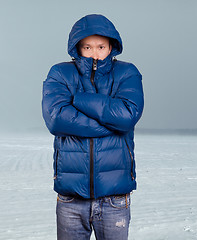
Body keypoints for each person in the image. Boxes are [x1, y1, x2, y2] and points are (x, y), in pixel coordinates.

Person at [42, 14, 144, 240]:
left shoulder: (127, 73)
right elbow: (56, 119)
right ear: (77, 47)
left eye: (100, 46)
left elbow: (127, 116)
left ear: (111, 47)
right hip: (71, 198)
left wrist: (78, 100)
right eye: (87, 47)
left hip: (115, 197)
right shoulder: (60, 73)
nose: (94, 53)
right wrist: (111, 124)